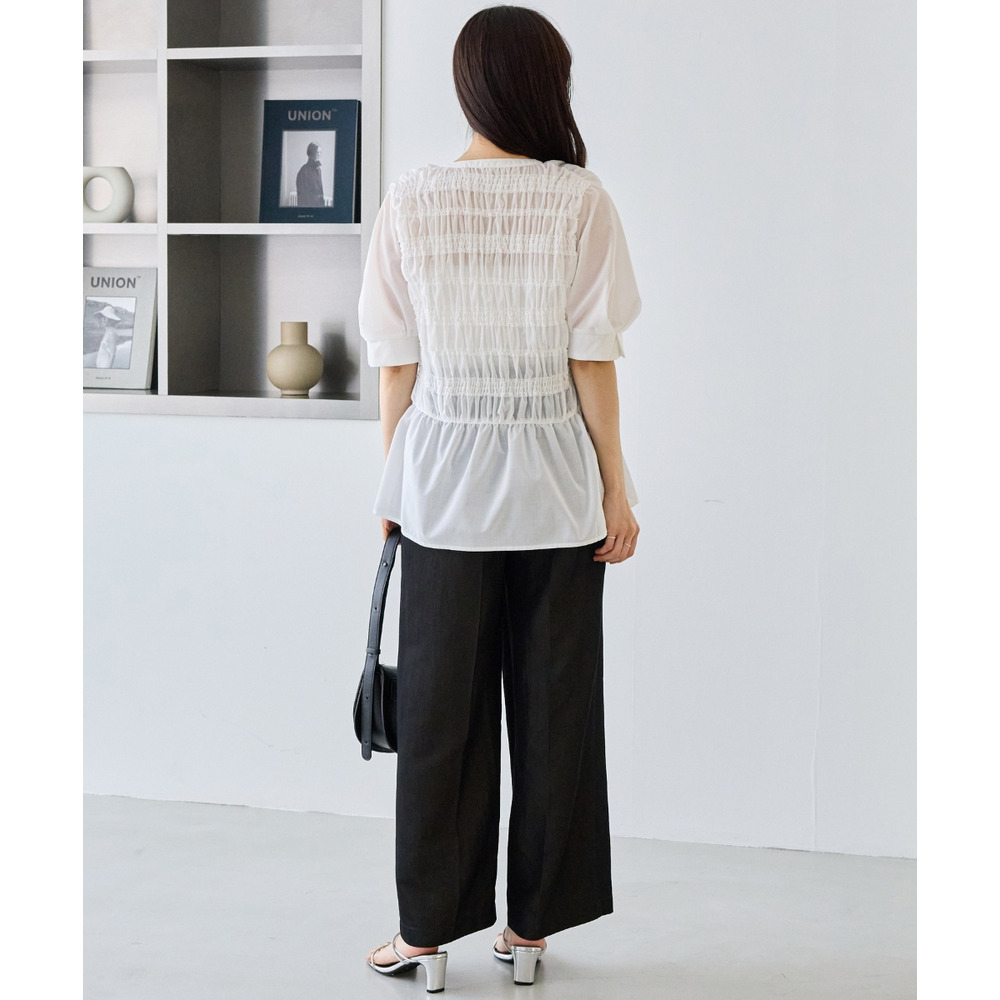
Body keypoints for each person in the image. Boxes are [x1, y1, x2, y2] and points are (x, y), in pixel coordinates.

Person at [357, 5, 641, 991]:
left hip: (442, 492)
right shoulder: (580, 200)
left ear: (467, 85)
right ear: (546, 83)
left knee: (441, 718)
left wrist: (394, 480)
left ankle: (425, 938)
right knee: (558, 715)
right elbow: (592, 360)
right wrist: (617, 489)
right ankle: (528, 930)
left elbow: (396, 363)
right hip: (556, 492)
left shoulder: (411, 199)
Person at [295, 142, 324, 207]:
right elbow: (302, 196)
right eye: (317, 152)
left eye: (320, 152)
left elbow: (320, 190)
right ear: (311, 153)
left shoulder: (318, 169)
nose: (319, 154)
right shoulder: (304, 171)